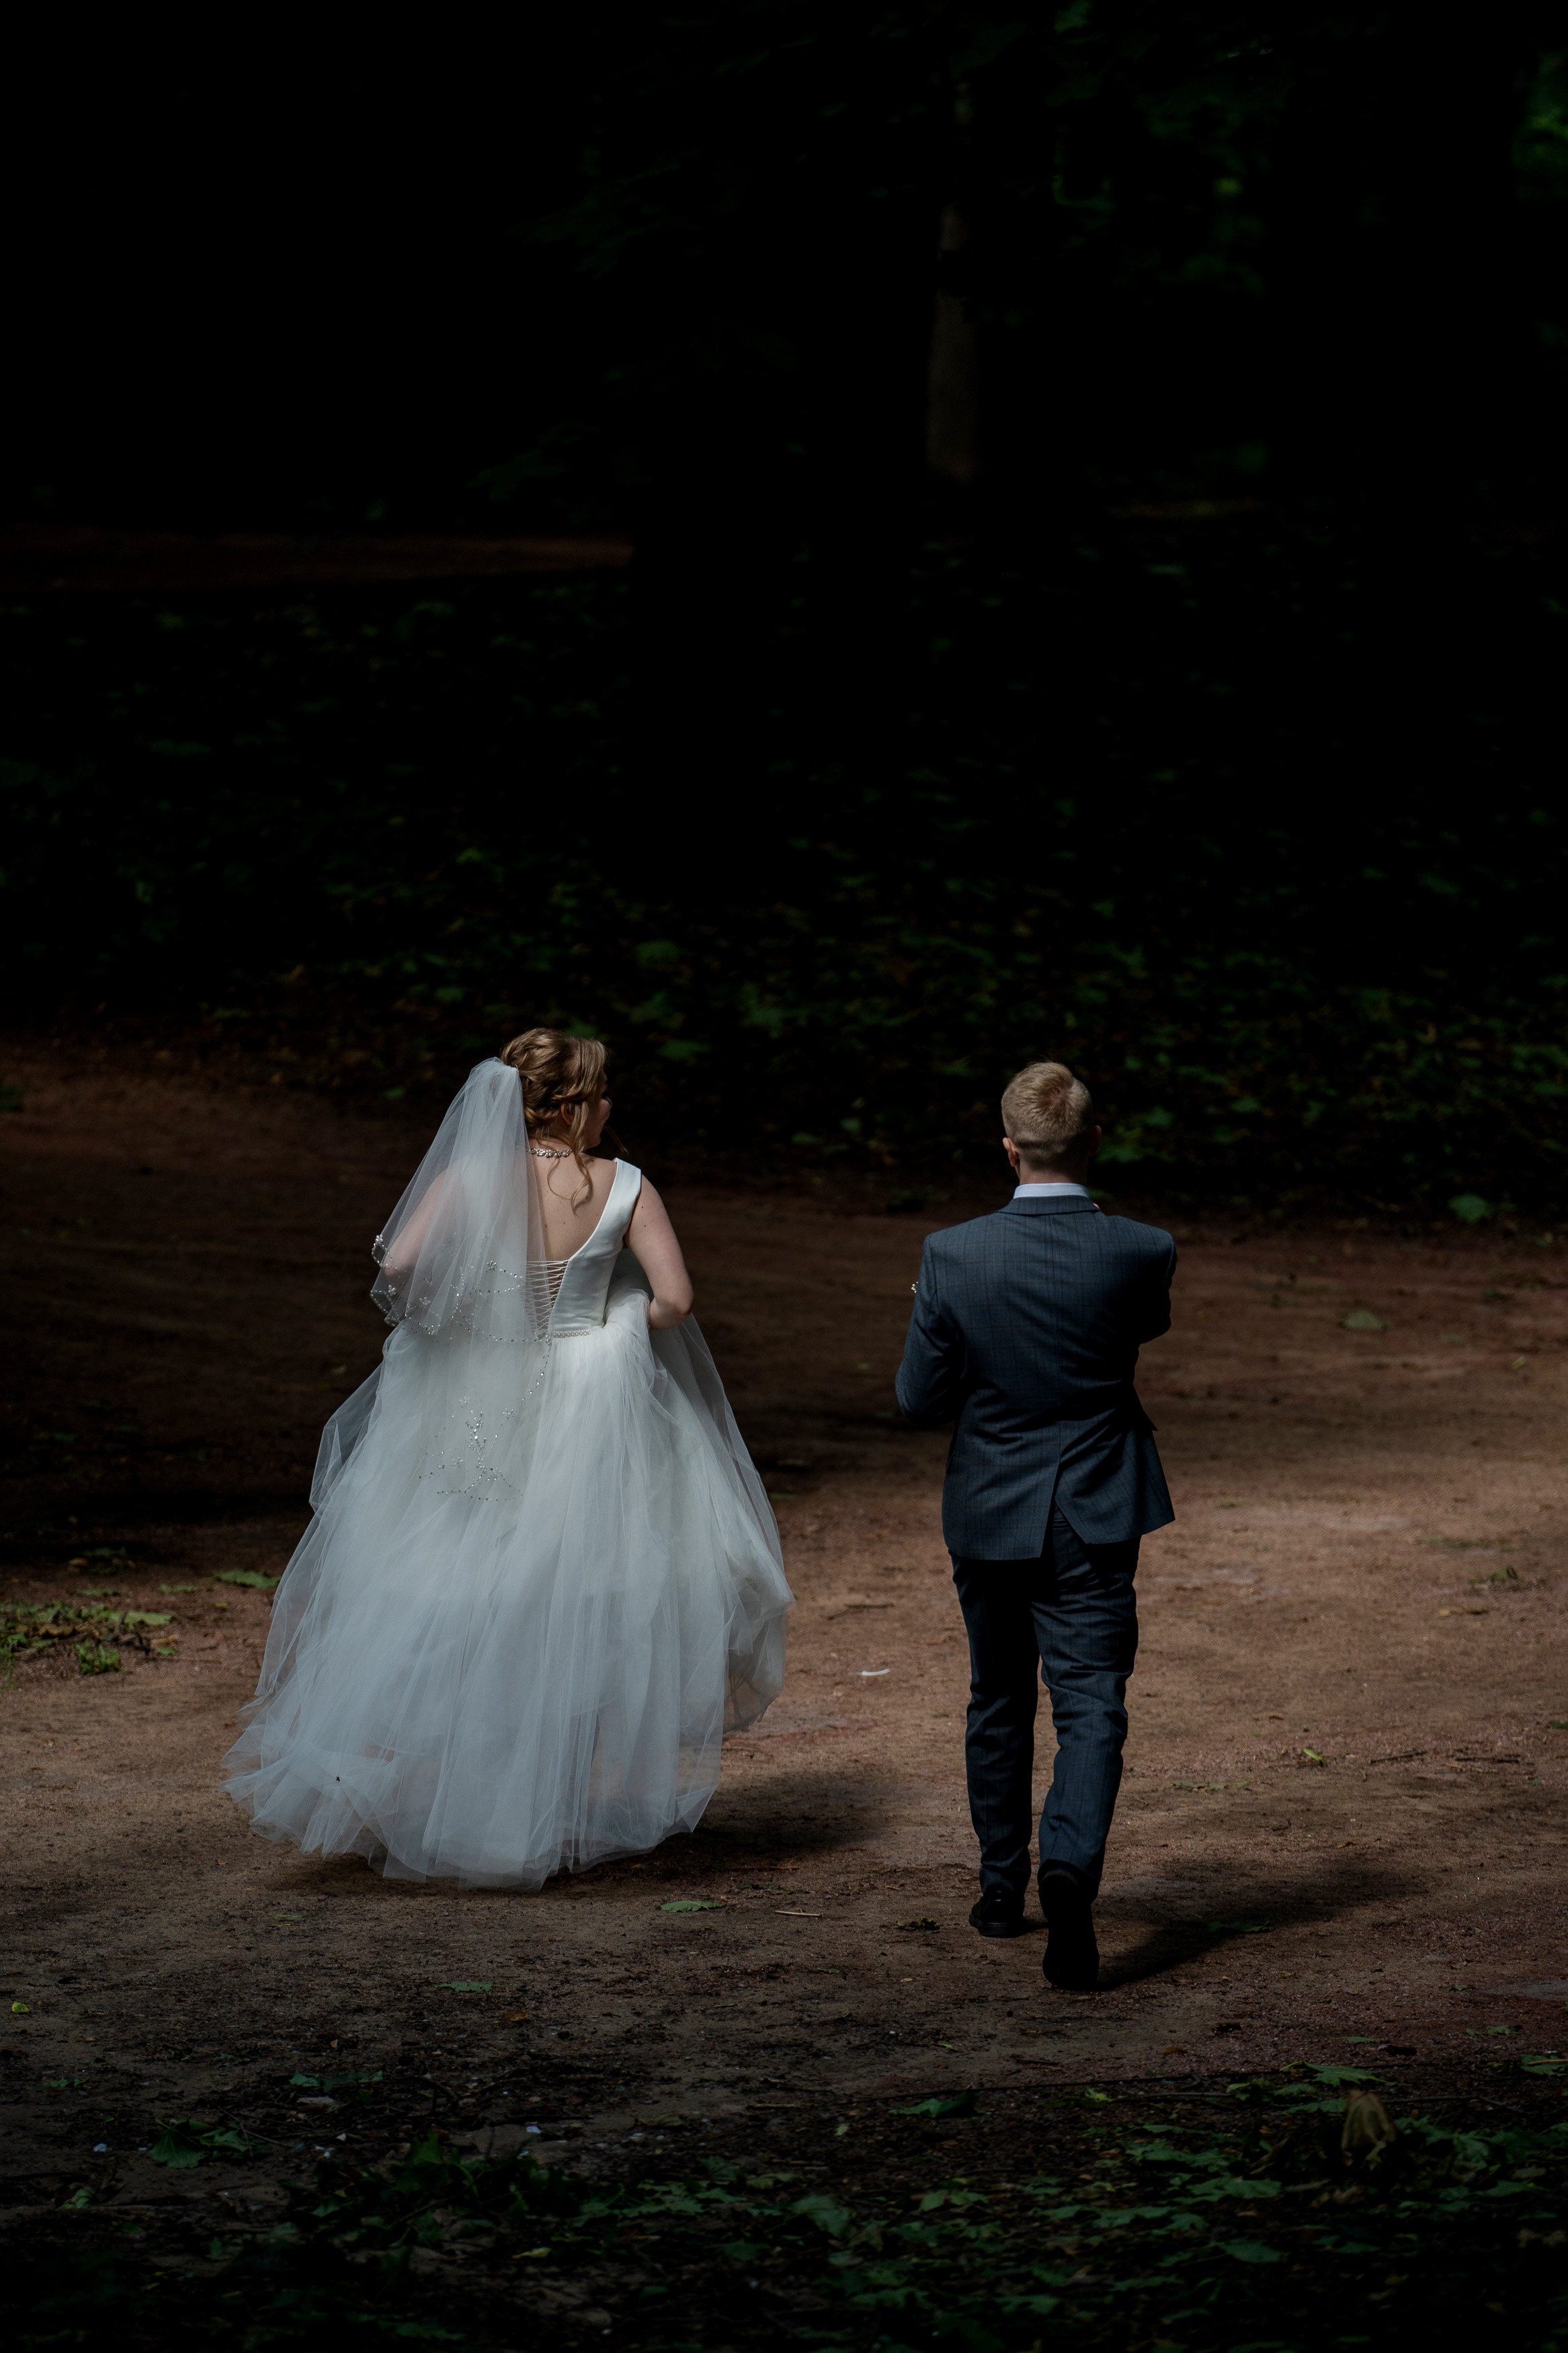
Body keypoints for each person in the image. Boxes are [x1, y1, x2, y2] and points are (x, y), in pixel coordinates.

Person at [224, 1031, 793, 1888]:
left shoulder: (468, 1179)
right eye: (600, 1096)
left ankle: (476, 1797)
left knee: (469, 1573)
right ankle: (544, 1800)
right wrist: (618, 1316)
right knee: (573, 1587)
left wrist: (466, 1316)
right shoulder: (623, 1185)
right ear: (568, 1109)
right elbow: (676, 1298)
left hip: (479, 1398)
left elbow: (404, 1261)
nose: (610, 1108)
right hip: (588, 1402)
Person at [895, 1060, 1174, 1987]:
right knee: (1092, 1700)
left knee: (998, 1695)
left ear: (1007, 1149)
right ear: (1094, 1144)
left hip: (988, 1504)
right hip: (1095, 1505)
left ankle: (997, 1887)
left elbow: (917, 1398)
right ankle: (1071, 1871)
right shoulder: (1142, 1248)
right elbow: (1143, 1331)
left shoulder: (952, 1255)